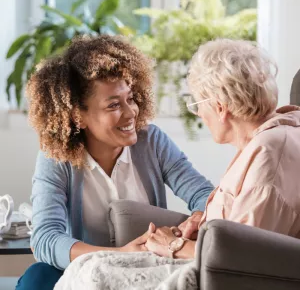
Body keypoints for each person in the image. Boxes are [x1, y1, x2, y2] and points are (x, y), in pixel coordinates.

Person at [15, 35, 214, 290]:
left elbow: (204, 195)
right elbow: (46, 239)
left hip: (144, 270)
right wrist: (119, 254)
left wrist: (196, 219)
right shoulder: (56, 157)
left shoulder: (151, 142)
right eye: (113, 105)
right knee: (37, 277)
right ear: (78, 116)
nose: (131, 112)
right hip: (82, 272)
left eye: (130, 98)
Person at [144, 38, 300, 259]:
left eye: (197, 104)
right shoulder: (280, 130)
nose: (198, 113)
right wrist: (207, 223)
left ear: (220, 108)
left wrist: (174, 245)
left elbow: (243, 257)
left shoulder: (268, 152)